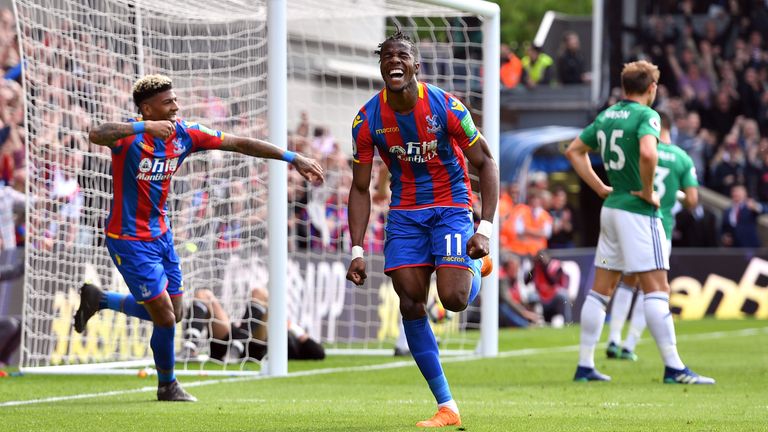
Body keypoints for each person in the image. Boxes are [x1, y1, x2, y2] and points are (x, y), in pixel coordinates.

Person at [73, 74, 324, 402]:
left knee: (174, 313)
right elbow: (95, 133)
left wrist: (293, 158)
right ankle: (167, 385)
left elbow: (238, 143)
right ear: (147, 110)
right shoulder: (129, 138)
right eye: (168, 102)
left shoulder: (184, 134)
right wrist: (143, 128)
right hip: (128, 238)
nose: (176, 106)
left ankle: (101, 300)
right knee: (164, 316)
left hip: (162, 236)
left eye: (175, 100)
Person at [345, 30, 498, 427]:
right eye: (387, 56)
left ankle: (475, 265)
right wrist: (357, 249)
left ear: (416, 65)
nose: (394, 61)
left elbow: (486, 163)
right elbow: (360, 187)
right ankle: (447, 405)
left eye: (402, 55)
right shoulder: (367, 120)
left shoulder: (446, 107)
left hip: (450, 207)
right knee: (410, 301)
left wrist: (485, 228)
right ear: (381, 66)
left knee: (453, 300)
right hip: (406, 213)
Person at [565, 60, 714, 384]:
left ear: (623, 86)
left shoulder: (606, 116)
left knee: (601, 290)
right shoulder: (648, 115)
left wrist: (600, 186)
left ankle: (585, 364)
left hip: (612, 209)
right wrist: (647, 192)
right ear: (652, 88)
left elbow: (575, 151)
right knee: (657, 289)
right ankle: (675, 368)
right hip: (638, 212)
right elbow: (649, 153)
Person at [605, 110, 699, 361]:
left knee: (627, 280)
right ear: (671, 129)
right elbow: (692, 200)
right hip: (659, 227)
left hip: (630, 222)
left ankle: (613, 338)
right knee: (654, 290)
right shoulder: (681, 158)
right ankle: (629, 344)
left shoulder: (638, 153)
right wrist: (676, 194)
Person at [183, 287, 324, 362]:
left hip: (256, 348)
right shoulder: (280, 326)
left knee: (261, 294)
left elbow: (319, 353)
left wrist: (292, 327)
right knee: (203, 295)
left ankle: (239, 344)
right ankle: (190, 349)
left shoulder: (292, 343)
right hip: (232, 342)